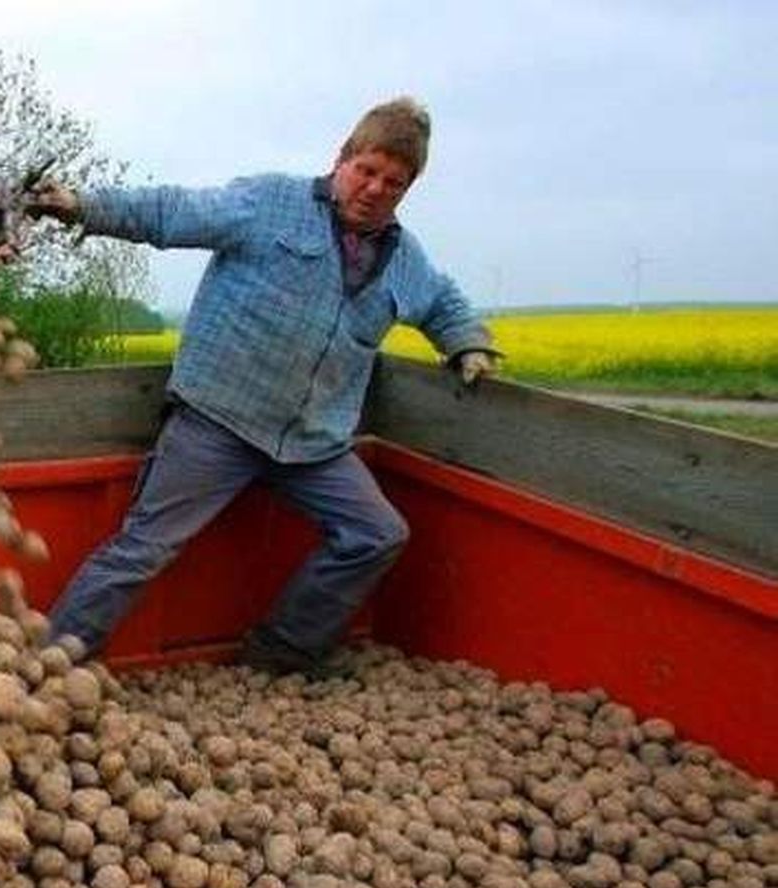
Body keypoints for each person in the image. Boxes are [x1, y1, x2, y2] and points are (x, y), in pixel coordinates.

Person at [29, 97, 500, 675]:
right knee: (144, 548)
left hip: (312, 442)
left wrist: (467, 342)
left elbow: (442, 300)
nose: (376, 188)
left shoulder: (404, 257)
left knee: (376, 534)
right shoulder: (271, 203)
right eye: (367, 170)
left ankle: (282, 651)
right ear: (342, 159)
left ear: (408, 189)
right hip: (219, 419)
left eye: (394, 183)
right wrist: (81, 206)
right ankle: (48, 663)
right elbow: (172, 211)